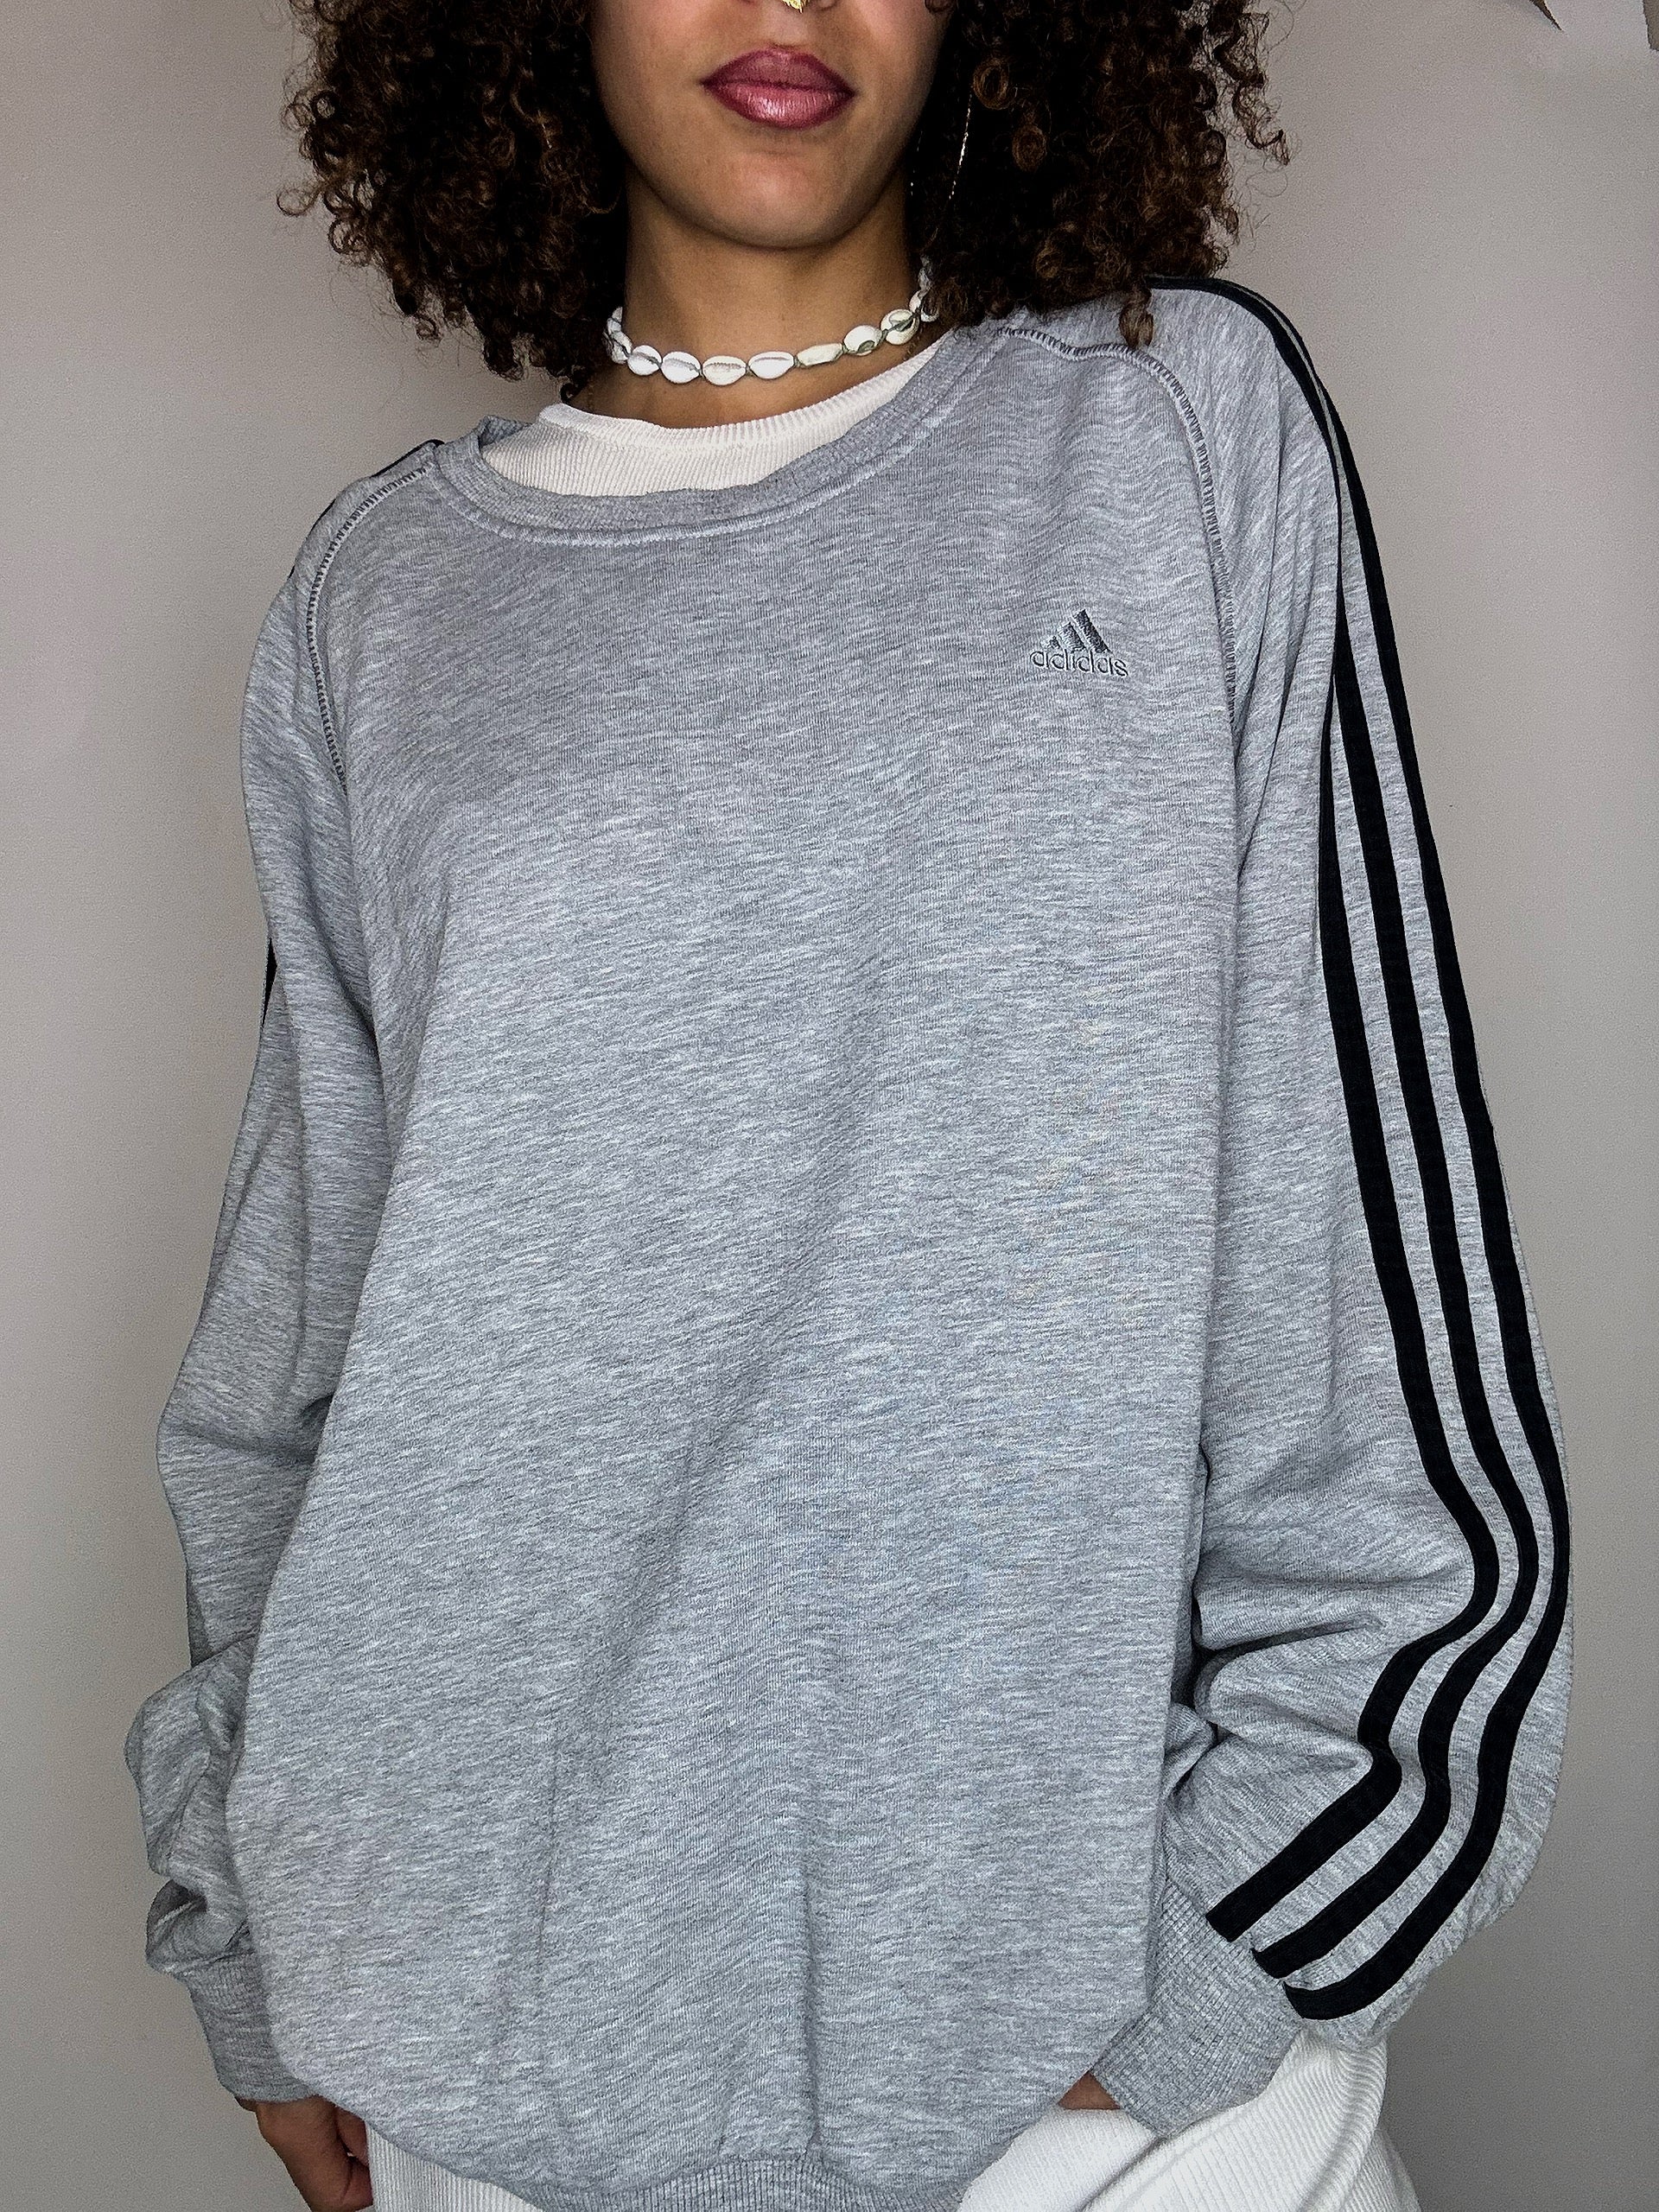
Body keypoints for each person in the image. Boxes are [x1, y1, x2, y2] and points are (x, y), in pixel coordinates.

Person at [124, 3, 1573, 2210]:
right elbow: (298, 1345)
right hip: (472, 2070)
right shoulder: (380, 596)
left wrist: (1234, 1947)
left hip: (1108, 2105)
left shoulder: (1172, 426)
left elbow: (1375, 1292)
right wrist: (248, 1924)